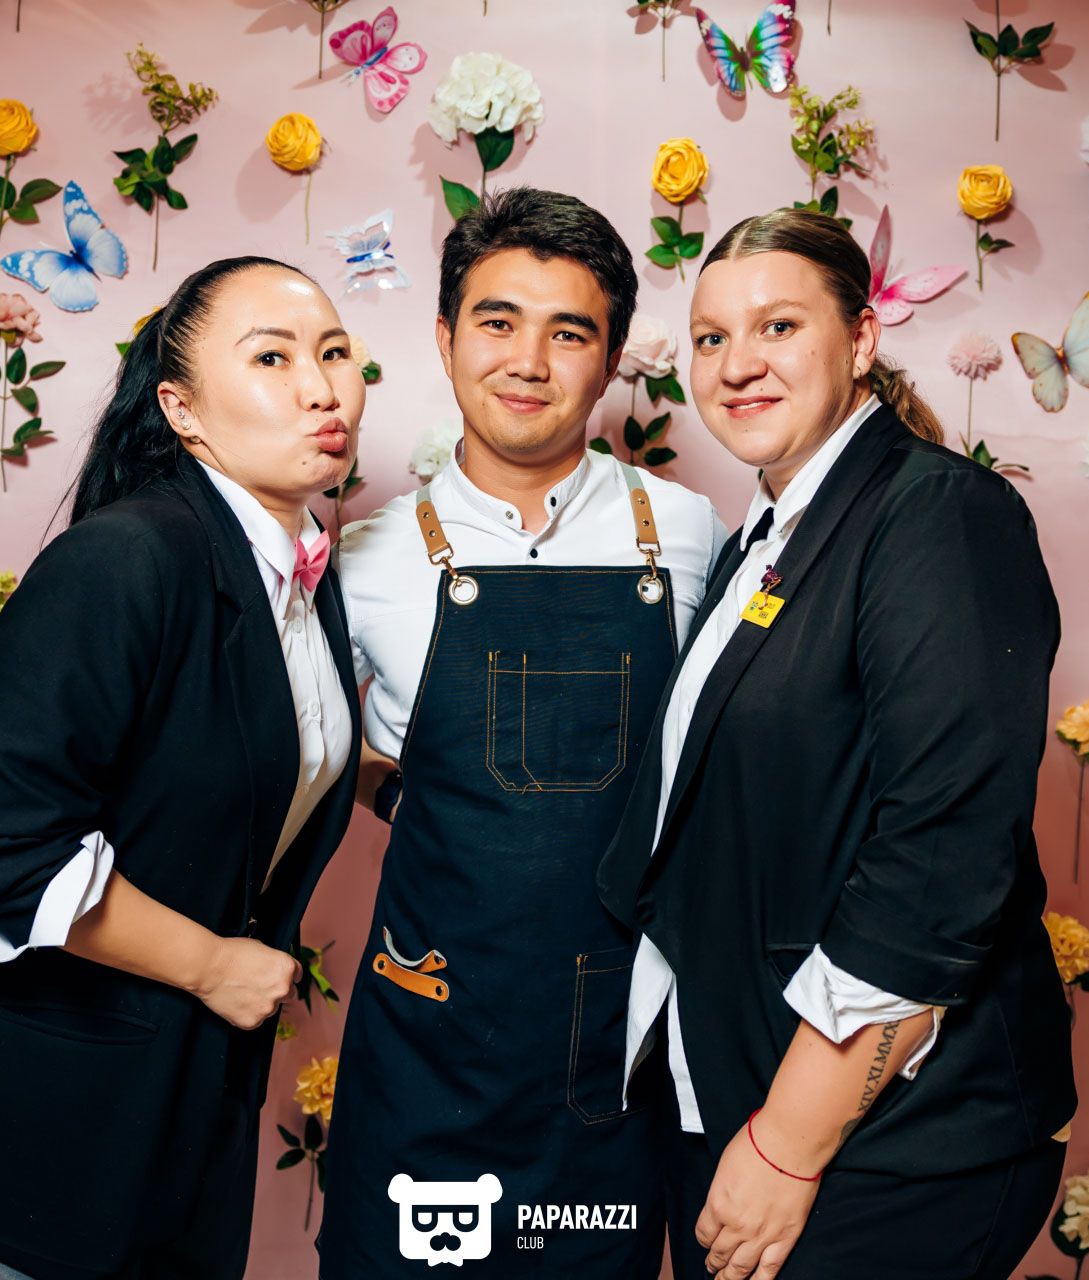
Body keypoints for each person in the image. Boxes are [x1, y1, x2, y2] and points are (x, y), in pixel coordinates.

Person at [597, 207, 1077, 1280]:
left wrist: (788, 1141)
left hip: (889, 1138)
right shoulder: (767, 537)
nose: (737, 364)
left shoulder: (939, 514)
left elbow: (943, 859)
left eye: (777, 326)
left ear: (861, 339)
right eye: (712, 337)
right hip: (742, 1086)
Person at [0, 256, 365, 1280]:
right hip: (40, 1111)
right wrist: (215, 964)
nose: (322, 388)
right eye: (272, 358)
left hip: (178, 1105)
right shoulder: (127, 558)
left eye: (333, 353)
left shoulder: (298, 569)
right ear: (181, 410)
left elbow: (244, 755)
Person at [315, 187, 727, 1278]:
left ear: (611, 359)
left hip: (616, 1048)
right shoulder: (364, 558)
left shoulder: (688, 533)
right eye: (497, 321)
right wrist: (406, 792)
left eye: (569, 332)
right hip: (432, 1037)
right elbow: (300, 751)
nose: (528, 361)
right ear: (445, 338)